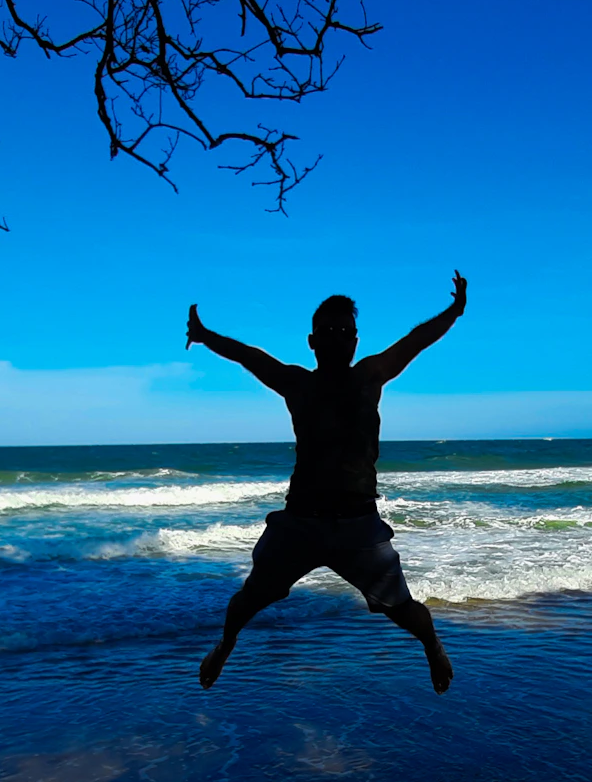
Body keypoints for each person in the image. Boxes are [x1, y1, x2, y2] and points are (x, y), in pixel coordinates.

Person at [185, 275, 467, 693]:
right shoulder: (298, 383)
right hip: (300, 521)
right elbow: (250, 356)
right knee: (248, 599)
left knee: (401, 607)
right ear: (312, 341)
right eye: (328, 331)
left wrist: (454, 311)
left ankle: (434, 647)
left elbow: (416, 340)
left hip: (358, 524)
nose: (337, 338)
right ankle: (225, 644)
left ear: (355, 340)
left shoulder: (369, 376)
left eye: (344, 331)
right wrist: (206, 336)